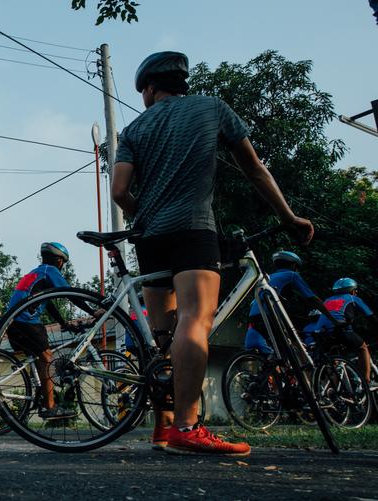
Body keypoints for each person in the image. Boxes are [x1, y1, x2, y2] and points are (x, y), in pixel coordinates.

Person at [112, 51, 314, 456]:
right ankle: (187, 428)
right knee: (194, 320)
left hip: (150, 238)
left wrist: (146, 216)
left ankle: (163, 429)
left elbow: (119, 193)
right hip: (193, 229)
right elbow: (255, 168)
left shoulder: (134, 129)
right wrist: (289, 217)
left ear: (150, 87)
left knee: (164, 335)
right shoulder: (211, 108)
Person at [5, 242, 75, 421]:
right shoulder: (49, 272)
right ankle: (50, 406)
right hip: (26, 322)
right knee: (47, 358)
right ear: (59, 261)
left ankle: (41, 394)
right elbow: (71, 294)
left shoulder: (35, 273)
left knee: (38, 358)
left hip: (12, 323)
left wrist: (62, 322)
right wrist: (93, 311)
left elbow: (48, 303)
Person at [243, 251, 337, 354]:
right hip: (271, 316)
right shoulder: (291, 275)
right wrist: (331, 318)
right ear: (293, 265)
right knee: (293, 349)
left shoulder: (268, 278)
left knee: (280, 350)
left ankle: (271, 367)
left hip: (254, 316)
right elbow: (312, 299)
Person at [311, 278, 377, 389]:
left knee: (334, 362)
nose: (356, 292)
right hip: (341, 330)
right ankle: (367, 381)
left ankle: (330, 392)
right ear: (352, 290)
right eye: (355, 290)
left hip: (321, 334)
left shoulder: (327, 300)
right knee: (363, 348)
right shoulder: (353, 298)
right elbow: (371, 317)